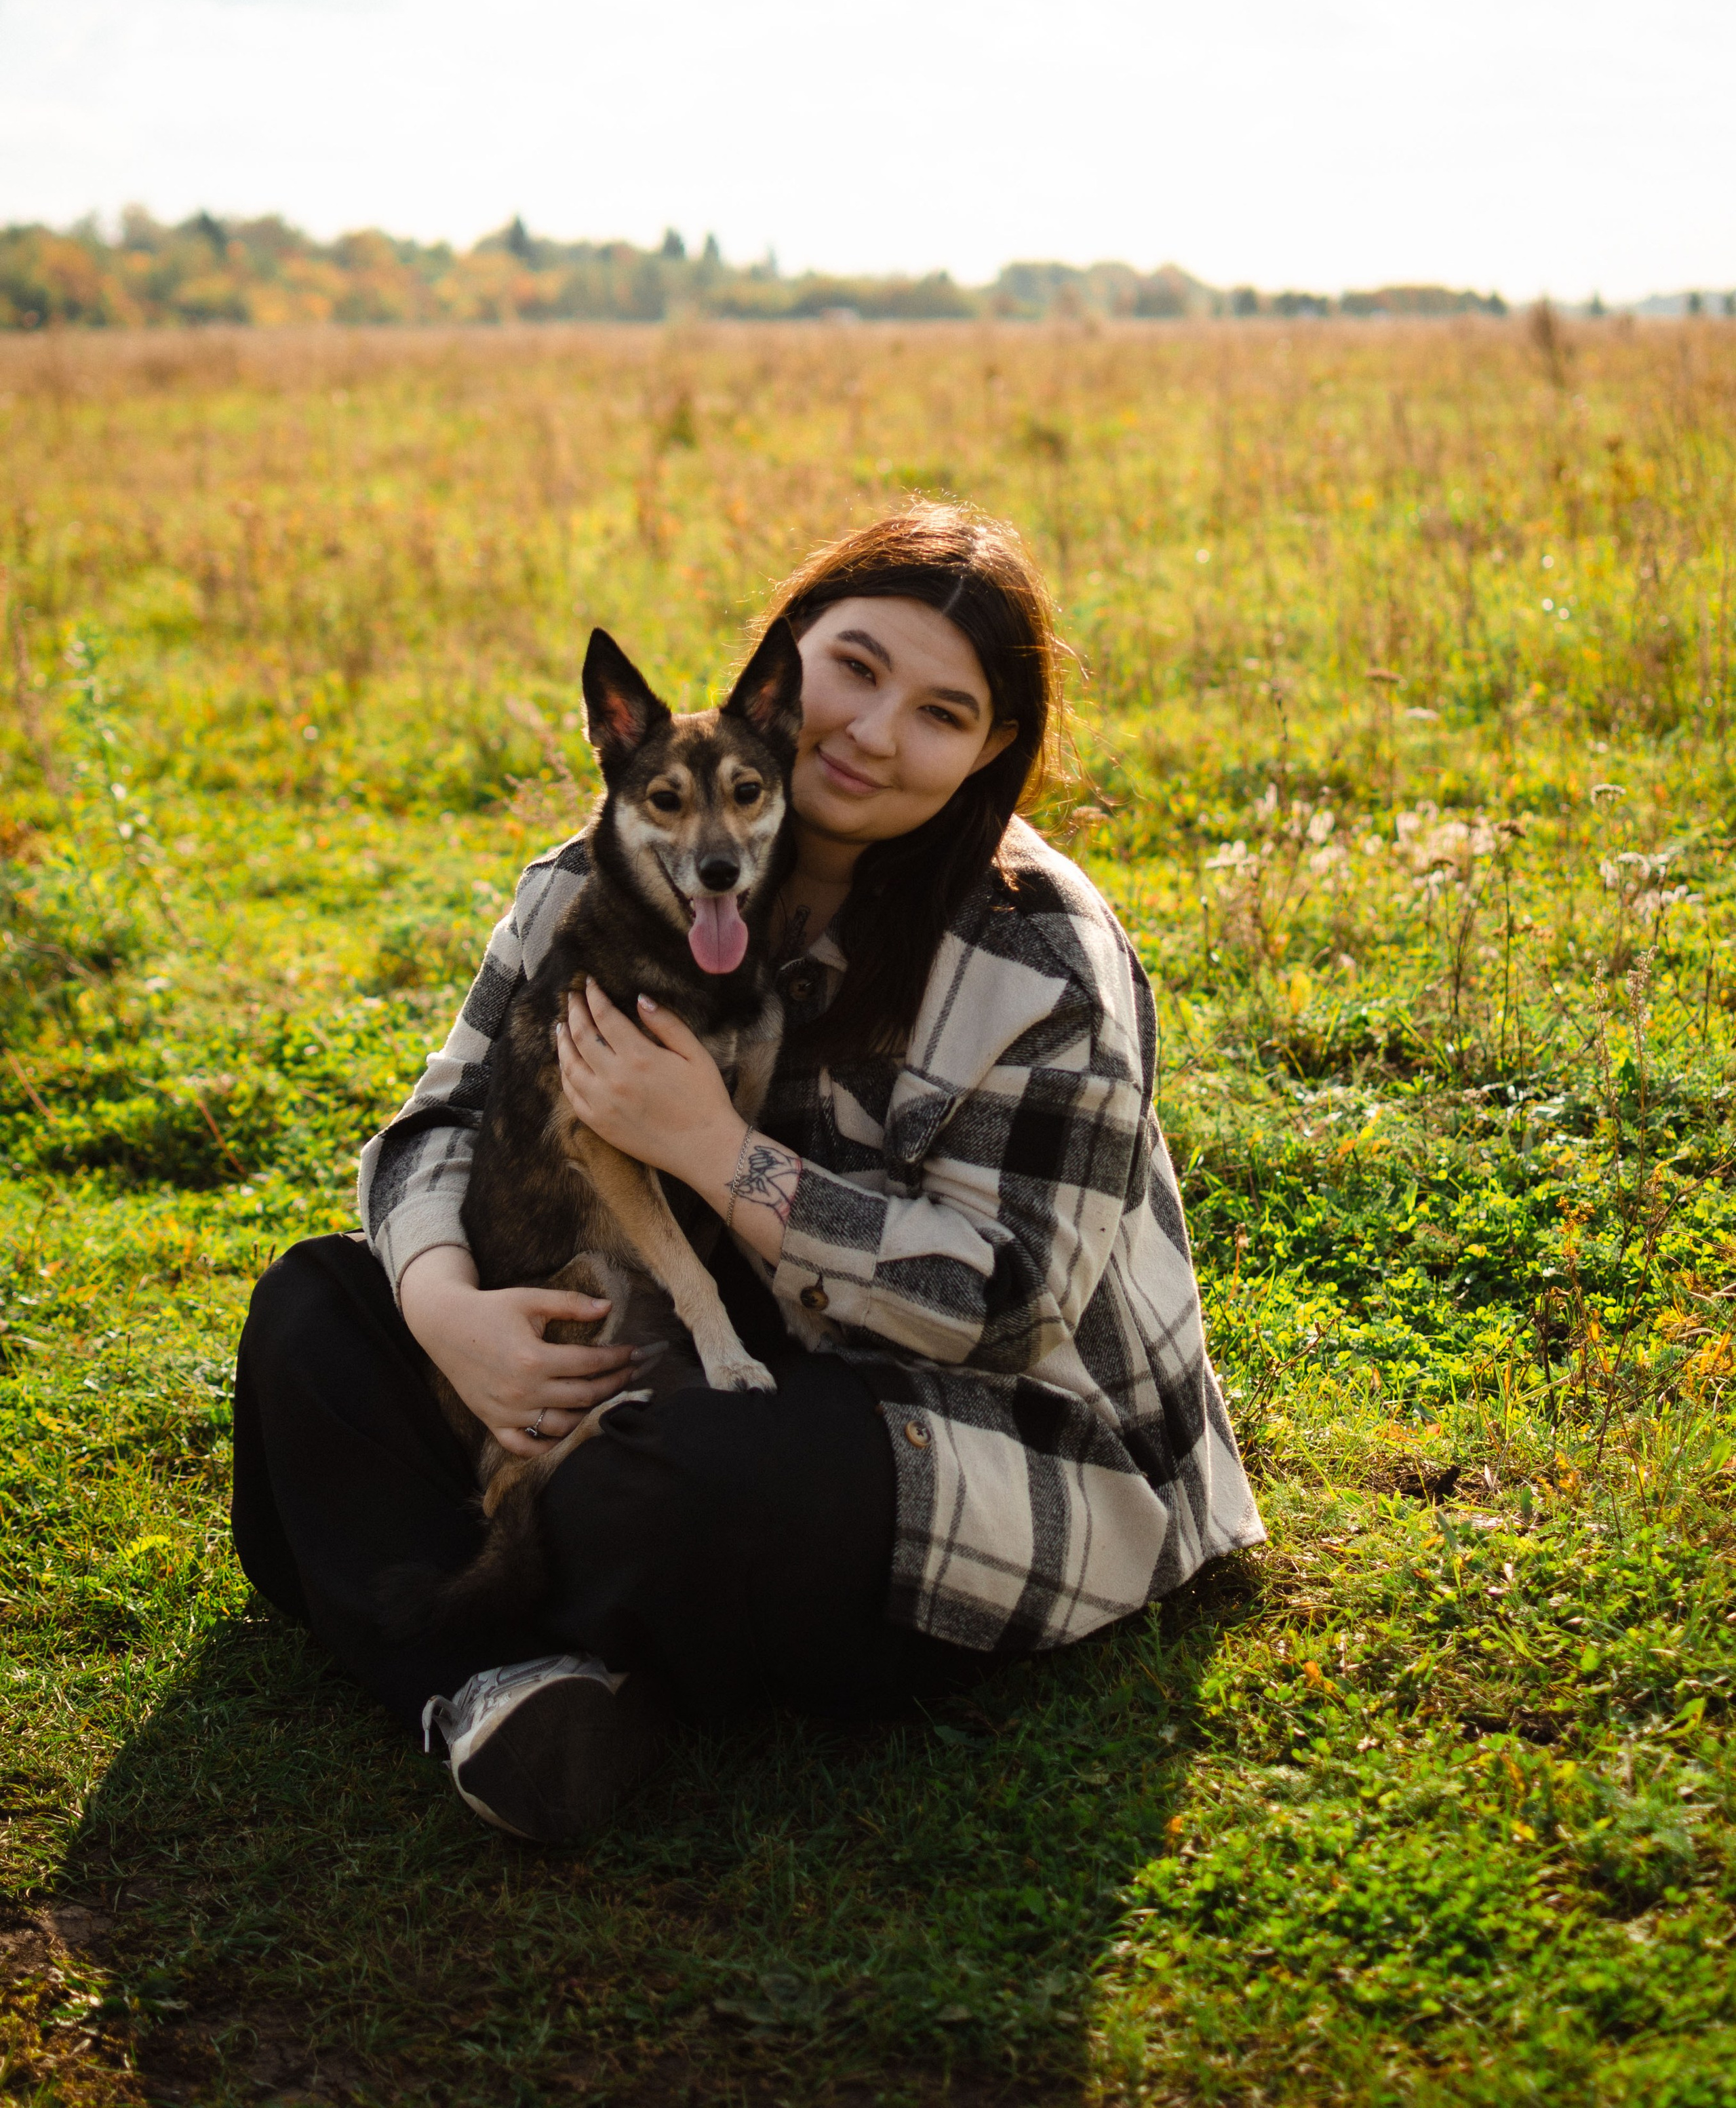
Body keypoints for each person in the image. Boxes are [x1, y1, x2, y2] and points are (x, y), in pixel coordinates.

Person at [231, 505, 1263, 1841]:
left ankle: (453, 1612)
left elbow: (1010, 1305)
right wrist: (446, 1312)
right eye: (855, 667)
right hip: (687, 1355)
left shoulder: (1036, 956)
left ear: (989, 750)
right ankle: (509, 1689)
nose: (874, 731)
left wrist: (715, 1151)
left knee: (673, 1480)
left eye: (942, 713)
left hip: (964, 1424)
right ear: (781, 665)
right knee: (314, 1312)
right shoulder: (606, 870)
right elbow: (441, 1121)